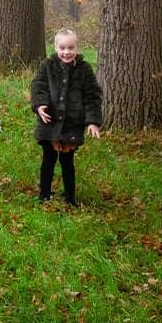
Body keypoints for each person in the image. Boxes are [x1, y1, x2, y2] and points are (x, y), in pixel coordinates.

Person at [30, 28, 102, 208]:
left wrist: (93, 121)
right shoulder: (47, 65)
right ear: (55, 47)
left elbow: (92, 95)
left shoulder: (84, 69)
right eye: (62, 48)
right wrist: (40, 106)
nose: (66, 52)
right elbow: (39, 86)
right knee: (48, 160)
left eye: (71, 47)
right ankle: (44, 194)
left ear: (77, 47)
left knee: (67, 163)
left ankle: (70, 197)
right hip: (49, 122)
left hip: (71, 124)